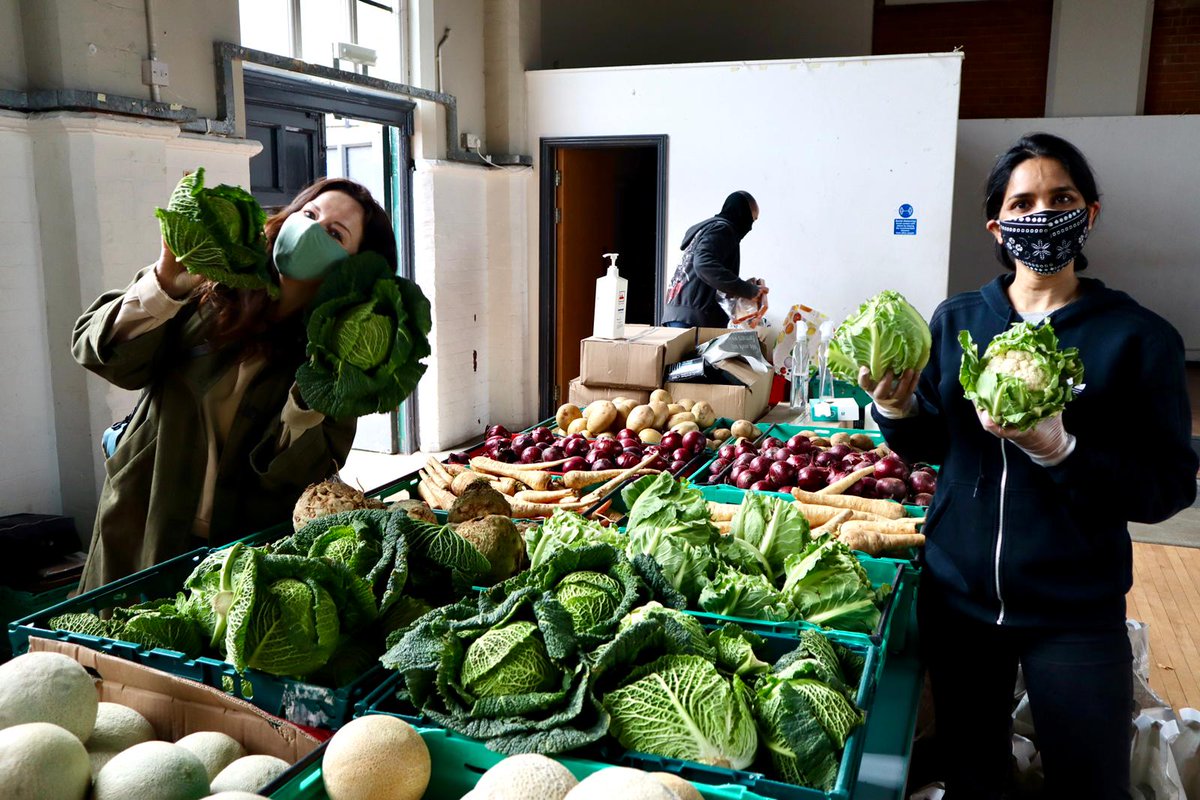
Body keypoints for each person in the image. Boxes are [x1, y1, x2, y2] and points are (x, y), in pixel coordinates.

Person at [860, 133, 1197, 798]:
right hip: (958, 599)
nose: (1042, 214)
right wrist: (896, 411)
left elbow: (1167, 486)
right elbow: (934, 444)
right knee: (975, 774)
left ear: (1089, 212)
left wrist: (1062, 451)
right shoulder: (957, 319)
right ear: (997, 225)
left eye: (1061, 198)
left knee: (1088, 779)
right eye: (1023, 202)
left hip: (1074, 608)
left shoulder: (1137, 337)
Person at [73, 177, 398, 592]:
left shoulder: (344, 356)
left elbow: (306, 470)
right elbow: (96, 351)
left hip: (245, 551)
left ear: (355, 266)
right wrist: (165, 283)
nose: (312, 230)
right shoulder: (211, 286)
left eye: (335, 233)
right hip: (143, 518)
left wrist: (315, 391)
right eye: (309, 214)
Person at [663, 190, 768, 328]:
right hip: (692, 319)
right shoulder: (722, 229)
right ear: (743, 215)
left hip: (679, 314)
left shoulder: (708, 229)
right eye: (752, 219)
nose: (750, 227)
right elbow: (704, 265)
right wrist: (748, 290)